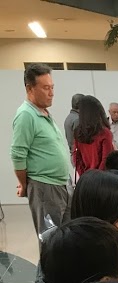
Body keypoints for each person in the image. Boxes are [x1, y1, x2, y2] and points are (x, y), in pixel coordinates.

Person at [11, 63, 72, 237]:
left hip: (61, 185)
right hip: (45, 188)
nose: (51, 93)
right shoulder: (26, 115)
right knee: (50, 240)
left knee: (67, 239)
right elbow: (17, 154)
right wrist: (24, 184)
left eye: (52, 87)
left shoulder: (43, 112)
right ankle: (49, 266)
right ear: (30, 88)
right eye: (46, 88)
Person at [73, 95, 115, 177]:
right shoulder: (104, 133)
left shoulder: (78, 133)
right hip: (103, 179)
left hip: (87, 178)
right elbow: (106, 159)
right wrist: (97, 177)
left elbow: (76, 158)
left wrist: (84, 175)